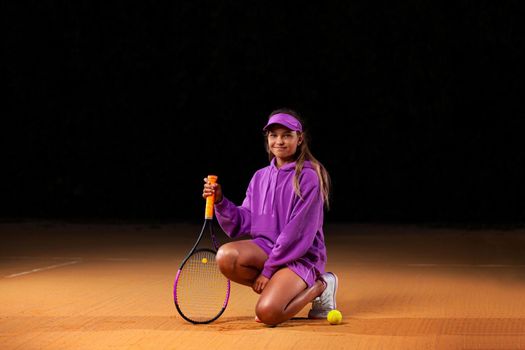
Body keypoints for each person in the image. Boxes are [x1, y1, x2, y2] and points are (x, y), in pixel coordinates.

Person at [202, 108, 338, 326]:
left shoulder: (309, 177)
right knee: (226, 256)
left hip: (300, 257)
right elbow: (243, 220)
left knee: (268, 314)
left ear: (299, 138)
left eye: (287, 135)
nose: (280, 141)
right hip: (267, 249)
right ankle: (279, 290)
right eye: (274, 135)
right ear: (267, 139)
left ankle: (322, 285)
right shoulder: (259, 177)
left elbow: (296, 235)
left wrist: (268, 270)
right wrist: (220, 201)